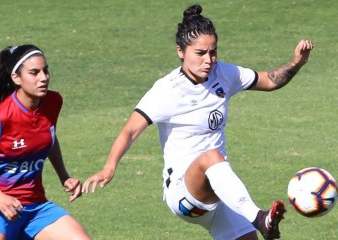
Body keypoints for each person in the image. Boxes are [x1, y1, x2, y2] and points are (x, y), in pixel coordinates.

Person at [82, 4, 314, 240]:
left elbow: (269, 80)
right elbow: (130, 131)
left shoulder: (223, 73)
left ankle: (257, 220)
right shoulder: (167, 90)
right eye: (200, 53)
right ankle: (260, 218)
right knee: (211, 156)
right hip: (183, 194)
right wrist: (109, 167)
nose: (209, 60)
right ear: (181, 51)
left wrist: (296, 64)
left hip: (221, 191)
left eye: (213, 52)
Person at [0, 44, 91, 240]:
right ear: (16, 77)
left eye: (46, 71)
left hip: (37, 208)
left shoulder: (52, 102)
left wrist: (64, 176)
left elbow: (48, 136)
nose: (43, 78)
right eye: (34, 73)